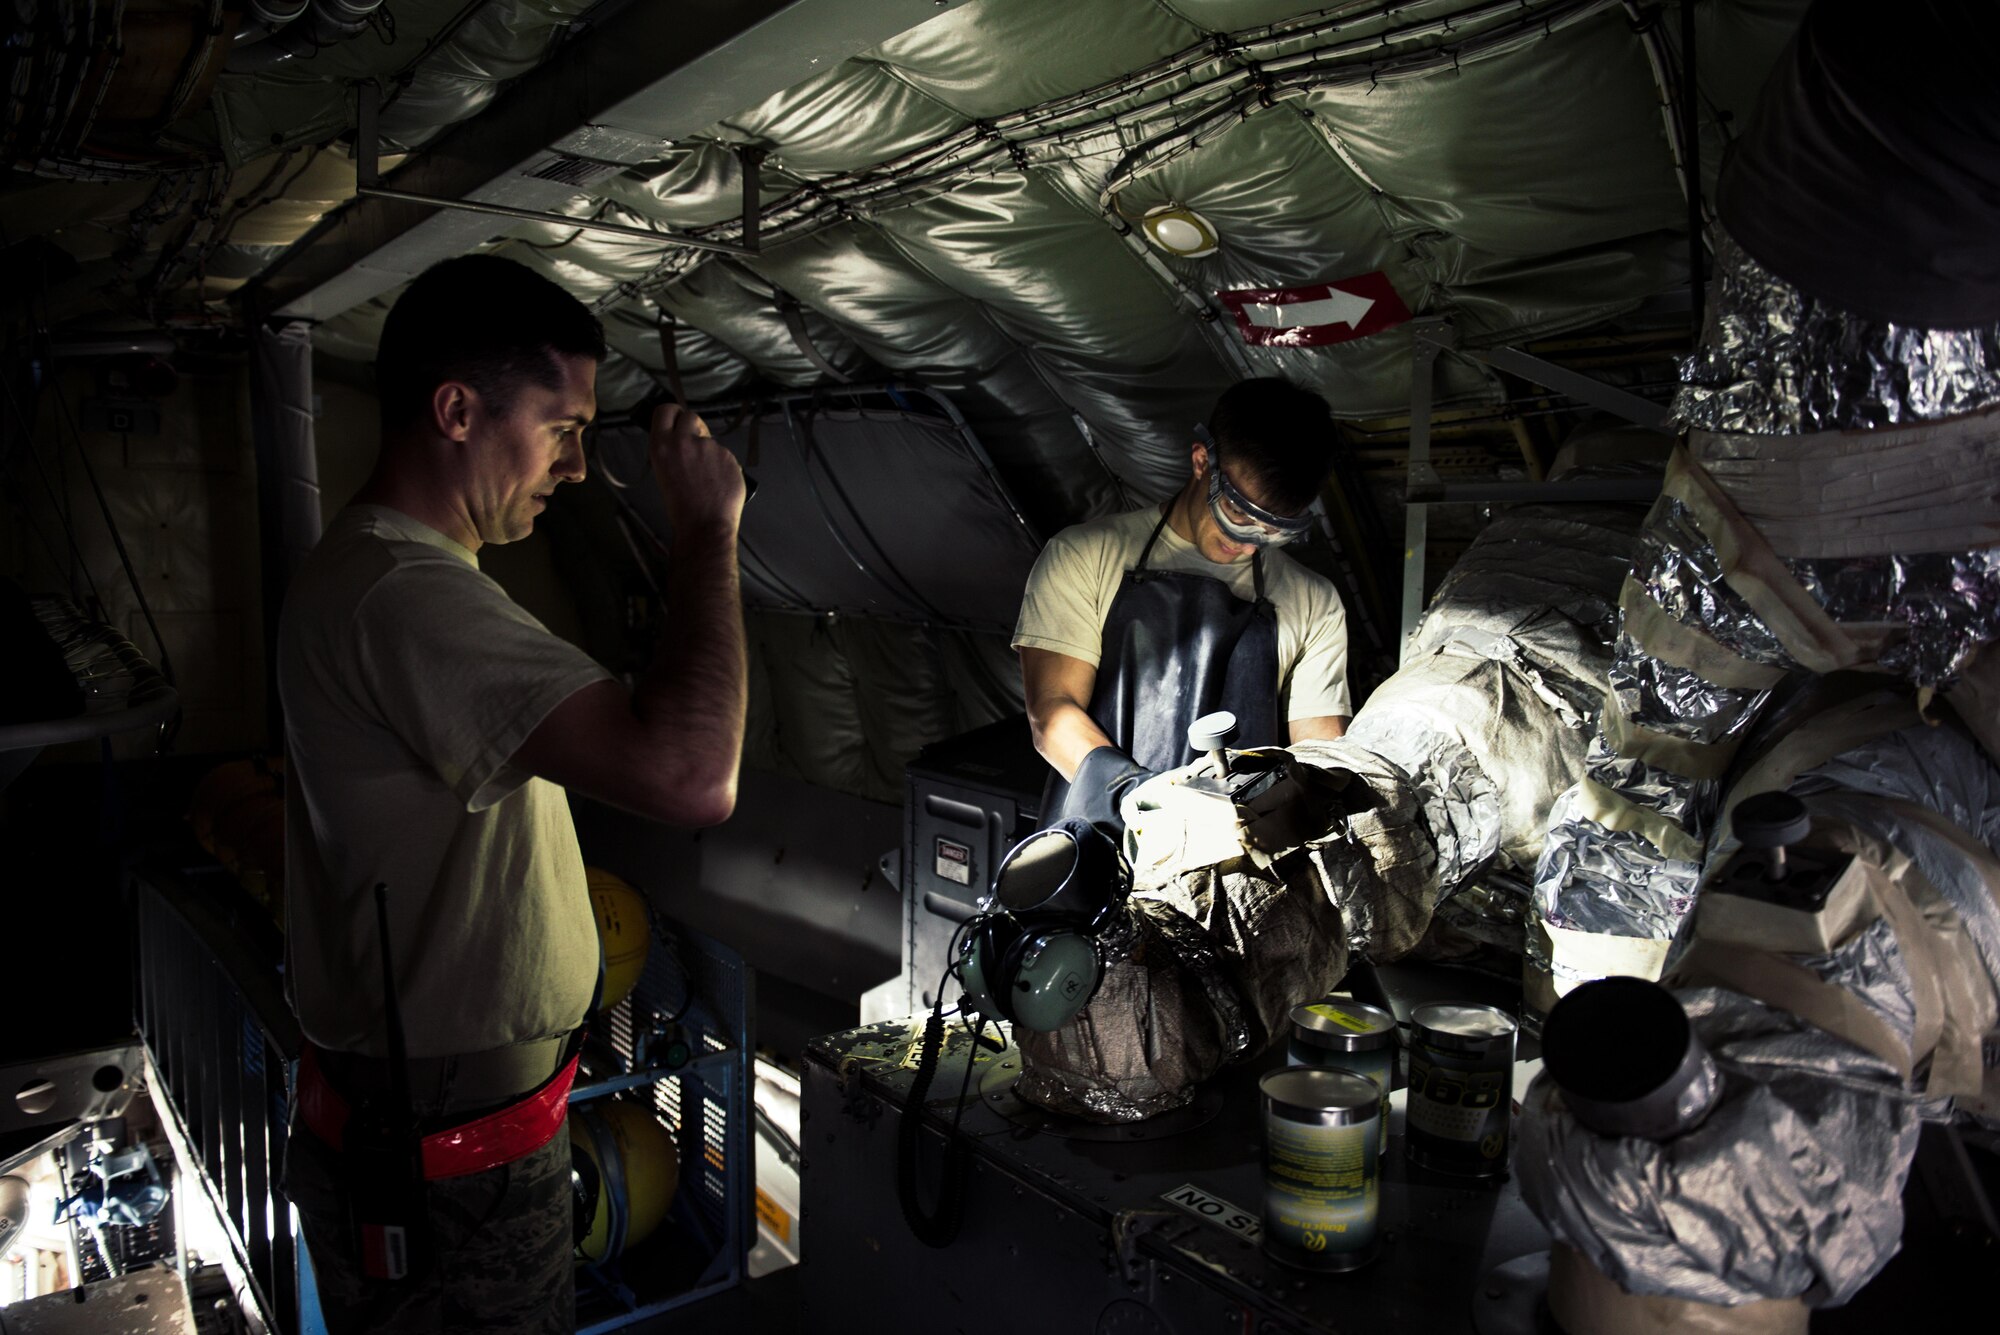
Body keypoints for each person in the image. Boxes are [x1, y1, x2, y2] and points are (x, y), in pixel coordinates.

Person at [275, 254, 748, 1334]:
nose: (576, 467)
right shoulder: (404, 594)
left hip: (453, 1129)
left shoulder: (397, 577)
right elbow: (690, 775)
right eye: (562, 427)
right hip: (451, 1163)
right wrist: (707, 532)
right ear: (455, 410)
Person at [1013, 377, 1352, 828]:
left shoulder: (1314, 602)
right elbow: (1052, 715)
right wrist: (1143, 803)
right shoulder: (1086, 555)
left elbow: (1318, 752)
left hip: (1235, 848)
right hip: (1101, 836)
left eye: (1274, 529)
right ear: (1201, 462)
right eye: (1238, 514)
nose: (1250, 545)